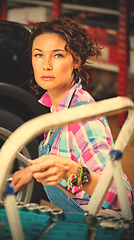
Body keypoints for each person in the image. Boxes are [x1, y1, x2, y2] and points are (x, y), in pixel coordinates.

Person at [12, 17, 133, 217]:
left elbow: (123, 196)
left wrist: (72, 172)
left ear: (76, 60)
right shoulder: (58, 107)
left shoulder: (82, 120)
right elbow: (63, 154)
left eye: (58, 55)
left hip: (101, 226)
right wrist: (32, 172)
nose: (46, 65)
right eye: (39, 55)